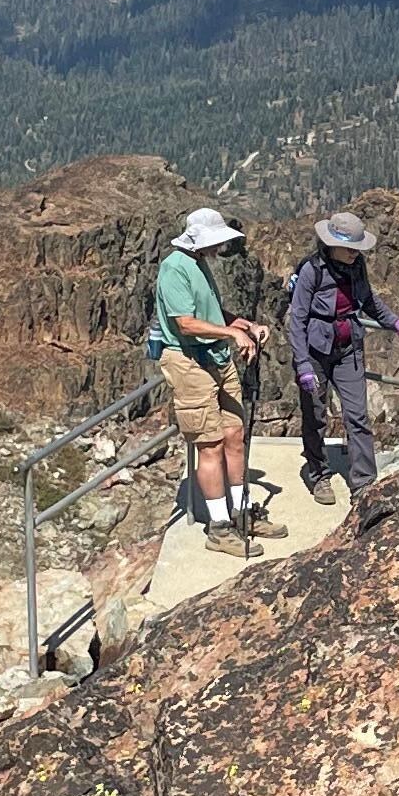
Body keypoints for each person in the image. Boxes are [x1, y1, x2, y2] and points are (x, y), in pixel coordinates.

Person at [147, 203, 272, 550]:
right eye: (215, 242)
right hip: (189, 363)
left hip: (215, 358)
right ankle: (218, 526)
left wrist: (243, 324)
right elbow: (184, 322)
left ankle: (242, 512)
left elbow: (211, 312)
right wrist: (232, 335)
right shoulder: (175, 268)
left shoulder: (199, 264)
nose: (220, 248)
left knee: (234, 434)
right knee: (210, 444)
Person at [285, 210, 399, 524]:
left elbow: (368, 300)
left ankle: (364, 483)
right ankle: (318, 474)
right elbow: (297, 319)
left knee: (357, 415)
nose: (356, 252)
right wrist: (303, 365)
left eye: (359, 247)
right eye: (350, 247)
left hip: (347, 349)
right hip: (315, 352)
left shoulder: (357, 267)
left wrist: (391, 320)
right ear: (331, 245)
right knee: (315, 415)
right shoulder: (312, 271)